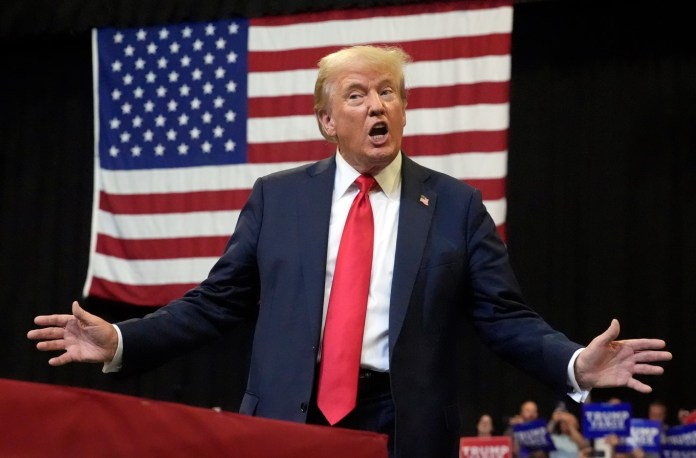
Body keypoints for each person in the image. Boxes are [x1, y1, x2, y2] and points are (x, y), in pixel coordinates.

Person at [27, 44, 672, 458]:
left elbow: (504, 317)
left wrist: (573, 365)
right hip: (289, 419)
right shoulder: (276, 200)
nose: (376, 105)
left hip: (405, 426)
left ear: (404, 108)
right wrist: (122, 342)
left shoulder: (454, 206)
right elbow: (215, 304)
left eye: (388, 91)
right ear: (327, 121)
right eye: (357, 95)